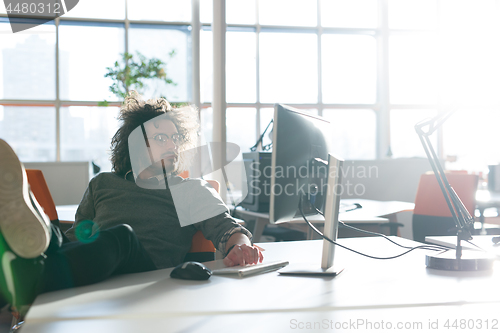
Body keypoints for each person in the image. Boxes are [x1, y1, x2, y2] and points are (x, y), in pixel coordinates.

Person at [0, 93, 263, 317]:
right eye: (161, 138)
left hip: (145, 282)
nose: (172, 145)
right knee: (54, 235)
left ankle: (25, 280)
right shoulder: (102, 183)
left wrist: (242, 247)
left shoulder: (189, 189)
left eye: (175, 138)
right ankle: (25, 255)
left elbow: (227, 230)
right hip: (95, 277)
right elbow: (78, 237)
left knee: (121, 237)